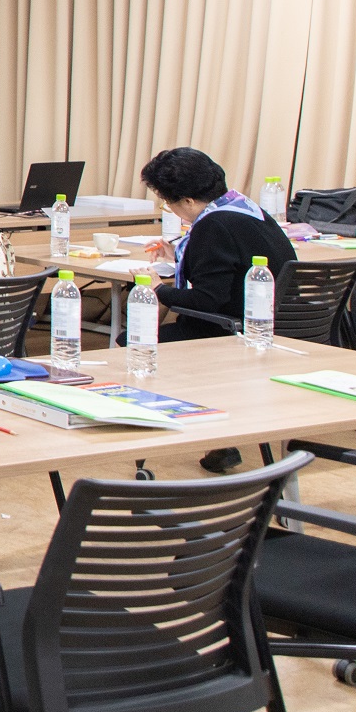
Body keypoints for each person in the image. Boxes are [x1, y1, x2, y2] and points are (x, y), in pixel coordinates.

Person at [137, 148, 298, 473]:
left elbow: (206, 301)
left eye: (167, 202)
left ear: (187, 201)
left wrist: (158, 289)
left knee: (134, 341)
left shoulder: (213, 226)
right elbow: (232, 265)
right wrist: (180, 256)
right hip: (275, 326)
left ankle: (197, 433)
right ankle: (220, 440)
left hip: (230, 331)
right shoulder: (247, 209)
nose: (170, 209)